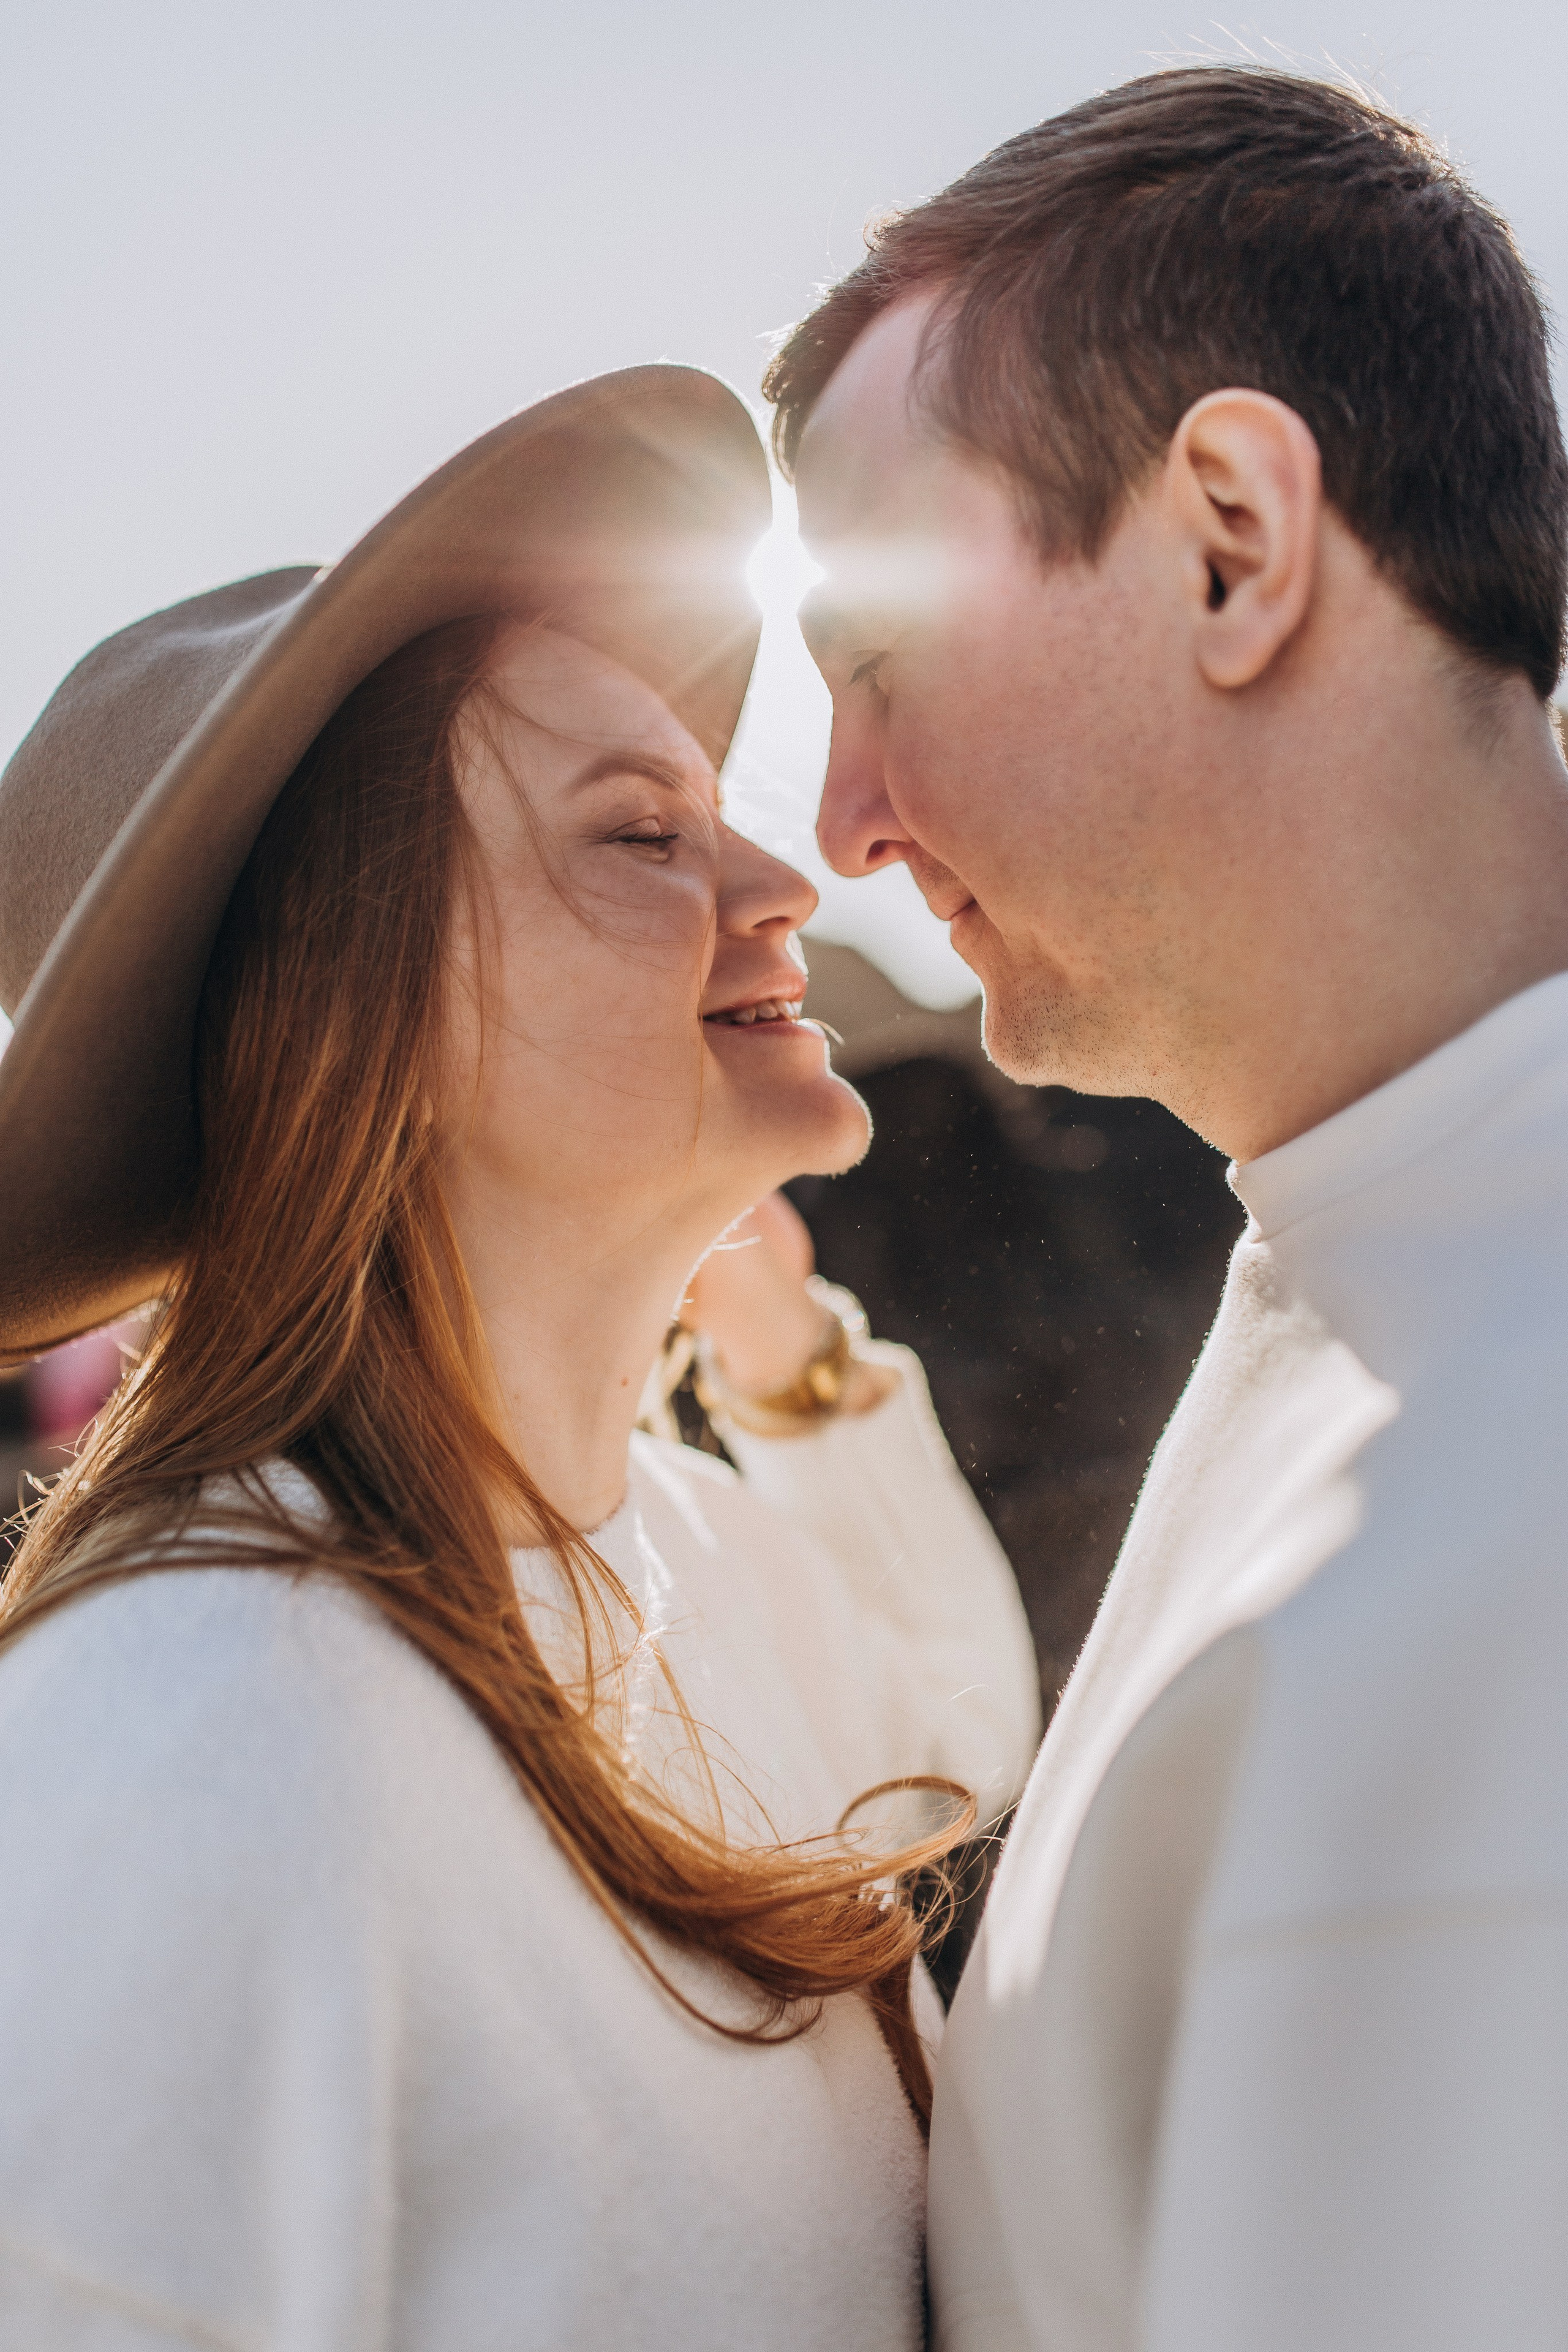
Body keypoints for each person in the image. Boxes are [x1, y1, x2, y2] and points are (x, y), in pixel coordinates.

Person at [0, 369, 1039, 2350]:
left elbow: (952, 1733)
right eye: (641, 833)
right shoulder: (188, 1757)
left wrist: (790, 1355)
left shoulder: (655, 1558)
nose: (786, 886)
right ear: (355, 1021)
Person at [765, 64, 1568, 2351]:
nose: (840, 822)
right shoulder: (1372, 1244)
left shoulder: (1511, 1491)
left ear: (1232, 533)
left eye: (879, 661)